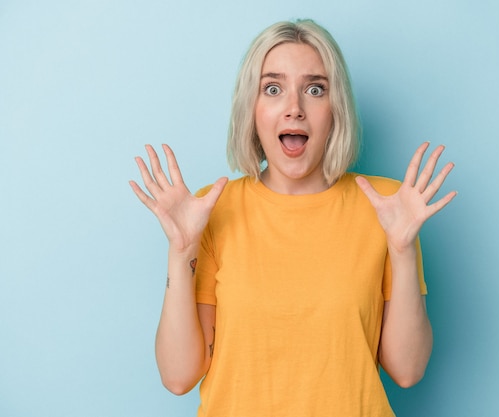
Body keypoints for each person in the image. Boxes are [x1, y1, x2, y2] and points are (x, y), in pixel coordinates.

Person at [130, 19, 456, 417]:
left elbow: (407, 370)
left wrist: (402, 250)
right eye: (273, 88)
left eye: (315, 89)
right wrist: (181, 253)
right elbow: (178, 376)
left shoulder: (387, 206)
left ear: (336, 109)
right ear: (251, 109)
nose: (294, 109)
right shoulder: (212, 212)